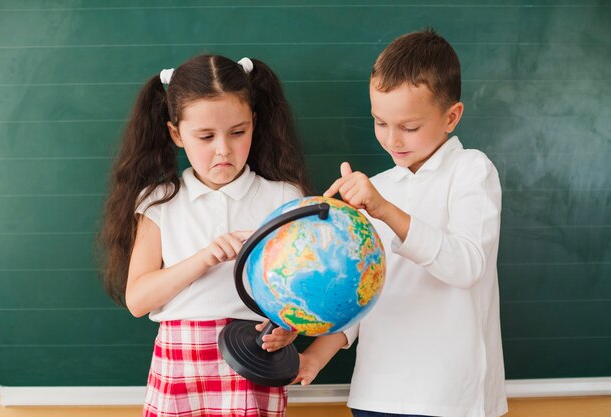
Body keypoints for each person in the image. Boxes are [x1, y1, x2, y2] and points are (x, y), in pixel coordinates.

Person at [295, 29, 508, 417]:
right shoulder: (377, 188)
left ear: (451, 117)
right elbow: (367, 294)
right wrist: (316, 355)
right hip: (376, 392)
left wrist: (385, 210)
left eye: (409, 127)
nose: (392, 139)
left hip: (451, 397)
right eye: (380, 122)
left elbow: (466, 266)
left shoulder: (471, 170)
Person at [100, 54, 311, 417]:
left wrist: (290, 329)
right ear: (175, 134)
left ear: (254, 124)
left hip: (253, 356)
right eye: (205, 136)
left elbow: (303, 292)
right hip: (180, 361)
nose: (223, 149)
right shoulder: (158, 203)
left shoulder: (284, 198)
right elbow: (138, 299)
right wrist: (203, 257)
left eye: (238, 132)